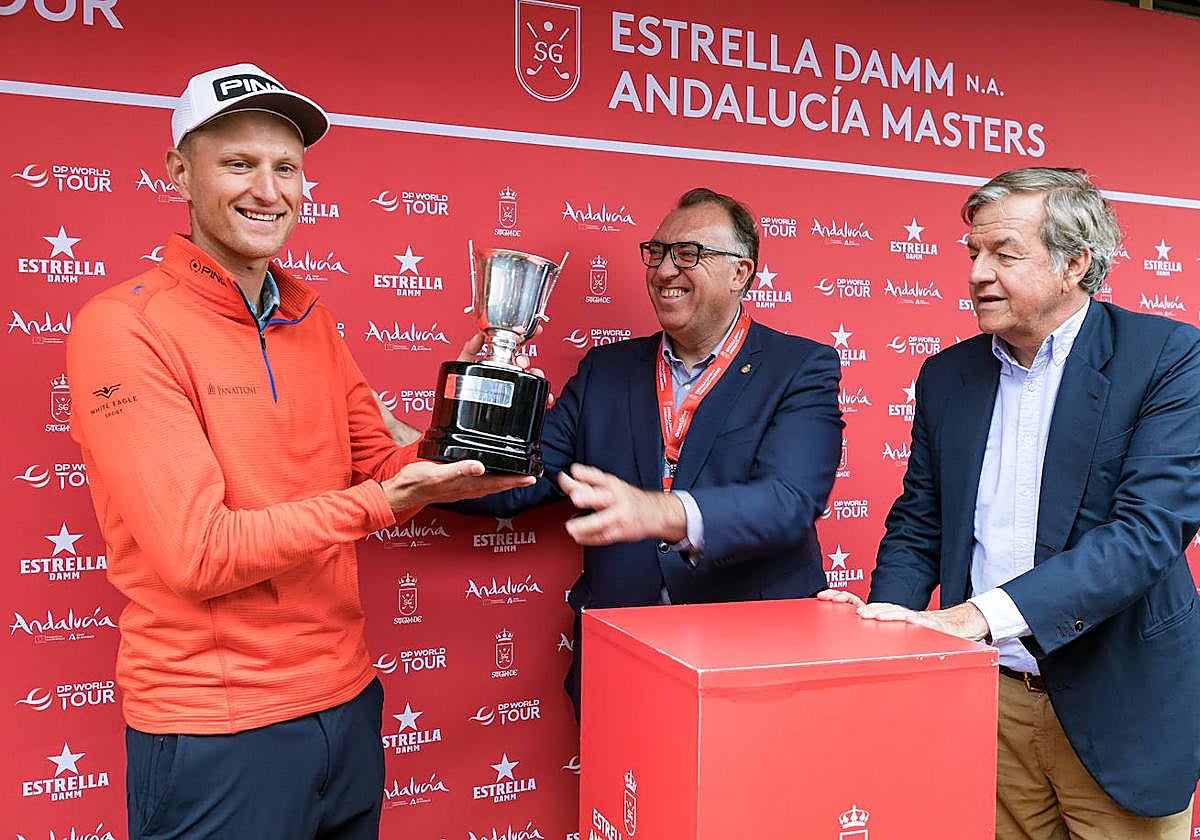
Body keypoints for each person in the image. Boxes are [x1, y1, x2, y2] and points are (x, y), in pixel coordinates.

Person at [65, 63, 531, 840]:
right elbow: (197, 552)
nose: (269, 190)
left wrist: (473, 422)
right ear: (180, 171)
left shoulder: (312, 319)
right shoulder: (124, 327)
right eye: (240, 164)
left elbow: (385, 463)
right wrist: (389, 501)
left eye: (286, 168)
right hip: (217, 727)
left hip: (346, 705)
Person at [821, 167, 1200, 838]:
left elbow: (1143, 535)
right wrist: (889, 627)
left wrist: (972, 618)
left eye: (1003, 254)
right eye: (972, 252)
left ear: (1075, 264)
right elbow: (919, 521)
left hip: (1119, 706)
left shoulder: (1169, 357)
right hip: (987, 706)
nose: (977, 273)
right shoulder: (947, 376)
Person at [445, 187, 843, 717]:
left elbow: (789, 500)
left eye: (689, 254)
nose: (664, 271)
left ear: (741, 273)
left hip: (752, 671)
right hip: (621, 667)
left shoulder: (800, 367)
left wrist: (659, 511)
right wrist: (415, 444)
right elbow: (524, 479)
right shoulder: (606, 371)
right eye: (656, 253)